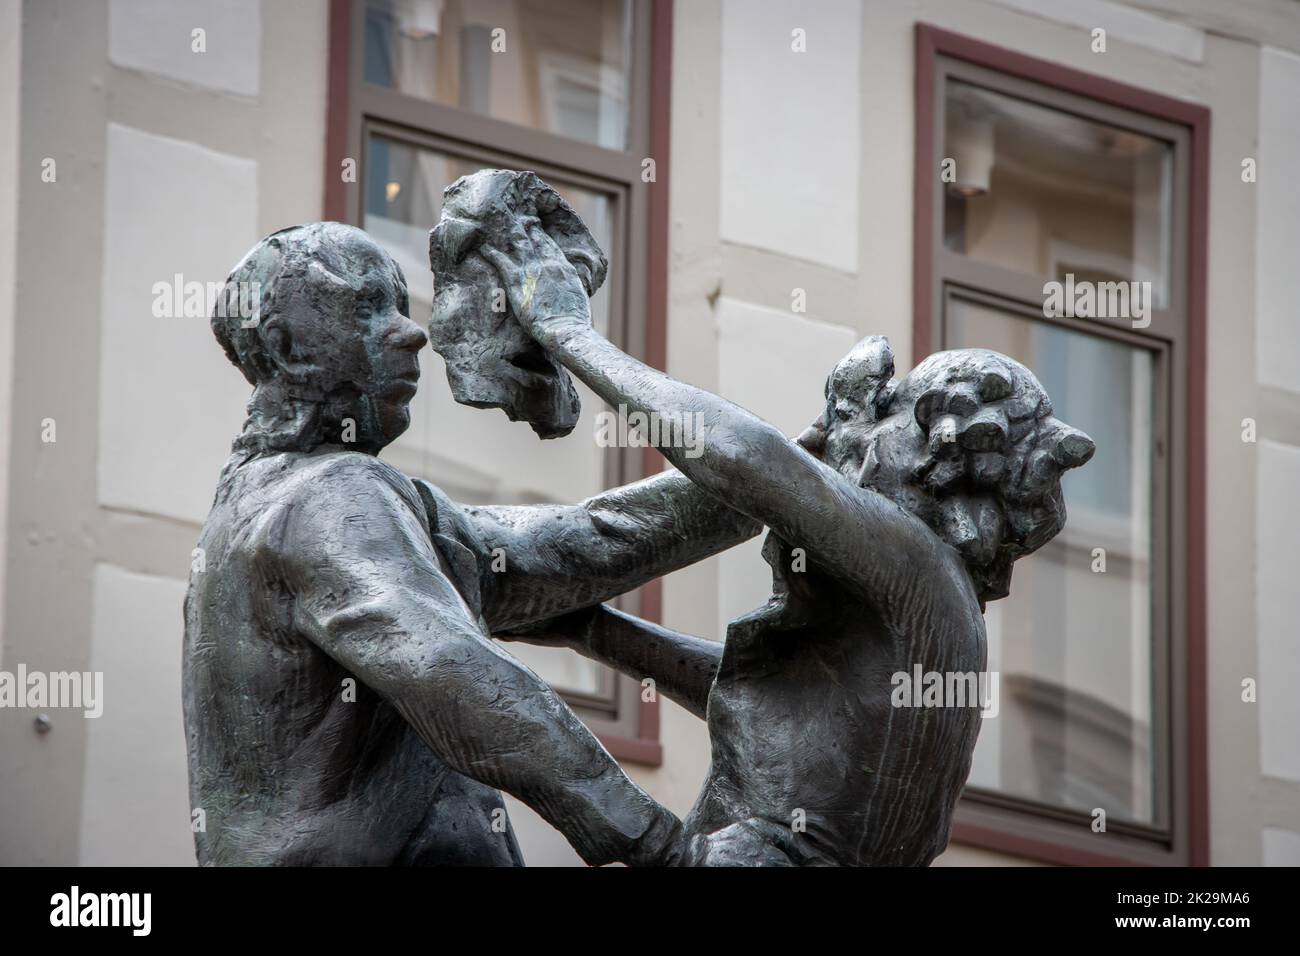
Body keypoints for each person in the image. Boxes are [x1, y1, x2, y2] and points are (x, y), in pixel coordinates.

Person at [485, 221, 1095, 866]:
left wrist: (566, 332)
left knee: (488, 744)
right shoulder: (939, 615)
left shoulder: (915, 561)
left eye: (884, 413)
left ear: (936, 453)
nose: (851, 436)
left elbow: (749, 458)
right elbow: (784, 711)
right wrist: (594, 631)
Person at [183, 222, 758, 866]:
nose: (411, 332)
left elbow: (587, 541)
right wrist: (667, 847)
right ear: (288, 348)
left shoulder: (292, 502)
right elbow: (450, 672)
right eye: (367, 308)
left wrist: (800, 477)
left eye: (398, 306)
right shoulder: (328, 496)